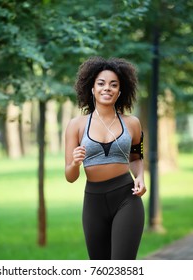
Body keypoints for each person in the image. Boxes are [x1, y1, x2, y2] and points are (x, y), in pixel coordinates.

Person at [65, 56, 146, 260]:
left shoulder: (132, 123)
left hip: (127, 198)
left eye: (113, 85)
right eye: (101, 83)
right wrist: (75, 163)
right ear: (92, 88)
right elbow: (70, 176)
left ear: (120, 91)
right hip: (94, 201)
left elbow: (136, 158)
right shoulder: (76, 125)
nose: (107, 88)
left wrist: (140, 177)